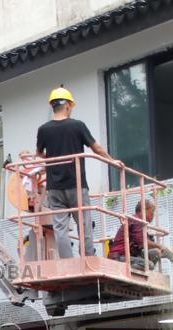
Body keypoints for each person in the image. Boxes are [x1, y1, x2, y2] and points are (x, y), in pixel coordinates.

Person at [36, 86, 120, 260]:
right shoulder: (77, 126)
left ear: (53, 106)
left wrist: (51, 159)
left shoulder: (43, 129)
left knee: (60, 228)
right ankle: (88, 259)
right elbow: (96, 148)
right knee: (84, 225)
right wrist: (112, 161)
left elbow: (39, 154)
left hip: (55, 188)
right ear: (68, 105)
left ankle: (67, 262)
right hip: (77, 185)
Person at [108, 199, 161, 270]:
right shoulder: (136, 221)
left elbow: (147, 245)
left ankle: (141, 272)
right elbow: (143, 242)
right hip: (119, 257)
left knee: (156, 253)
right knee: (149, 265)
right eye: (152, 212)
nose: (153, 215)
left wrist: (169, 252)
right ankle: (125, 271)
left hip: (130, 256)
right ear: (144, 210)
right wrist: (161, 246)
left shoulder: (141, 224)